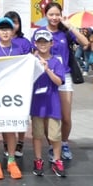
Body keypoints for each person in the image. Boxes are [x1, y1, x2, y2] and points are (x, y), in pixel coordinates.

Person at [31, 2, 88, 162]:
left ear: (61, 15)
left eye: (57, 14)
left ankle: (64, 143)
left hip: (64, 77)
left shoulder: (65, 33)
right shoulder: (39, 33)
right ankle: (52, 146)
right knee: (48, 116)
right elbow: (33, 53)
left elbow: (85, 43)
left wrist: (70, 27)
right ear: (45, 15)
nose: (54, 17)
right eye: (51, 14)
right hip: (44, 77)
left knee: (66, 117)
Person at [0, 17, 25, 180]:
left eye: (8, 29)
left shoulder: (18, 49)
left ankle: (11, 160)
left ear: (13, 32)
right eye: (2, 29)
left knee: (10, 127)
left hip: (12, 95)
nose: (5, 32)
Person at [30, 30, 66, 178]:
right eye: (40, 42)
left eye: (45, 42)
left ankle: (57, 160)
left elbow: (59, 82)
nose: (42, 45)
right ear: (35, 43)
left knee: (55, 135)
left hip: (52, 103)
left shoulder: (56, 61)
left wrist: (47, 70)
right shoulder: (31, 61)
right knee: (37, 134)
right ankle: (38, 160)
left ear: (52, 43)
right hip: (37, 103)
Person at [2, 11, 31, 158]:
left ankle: (20, 141)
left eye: (16, 23)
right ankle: (6, 142)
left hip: (19, 84)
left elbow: (27, 62)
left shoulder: (24, 43)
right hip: (2, 85)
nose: (13, 26)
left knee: (20, 115)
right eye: (10, 22)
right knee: (3, 116)